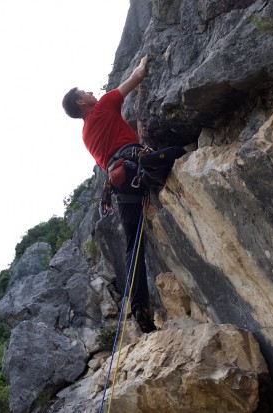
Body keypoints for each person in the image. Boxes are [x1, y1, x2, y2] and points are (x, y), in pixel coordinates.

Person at [62, 56, 185, 333]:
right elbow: (137, 77)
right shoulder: (103, 105)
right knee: (179, 153)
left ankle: (139, 307)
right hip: (133, 166)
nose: (91, 92)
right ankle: (151, 166)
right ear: (81, 102)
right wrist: (144, 59)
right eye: (85, 92)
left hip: (118, 184)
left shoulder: (85, 135)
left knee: (133, 245)